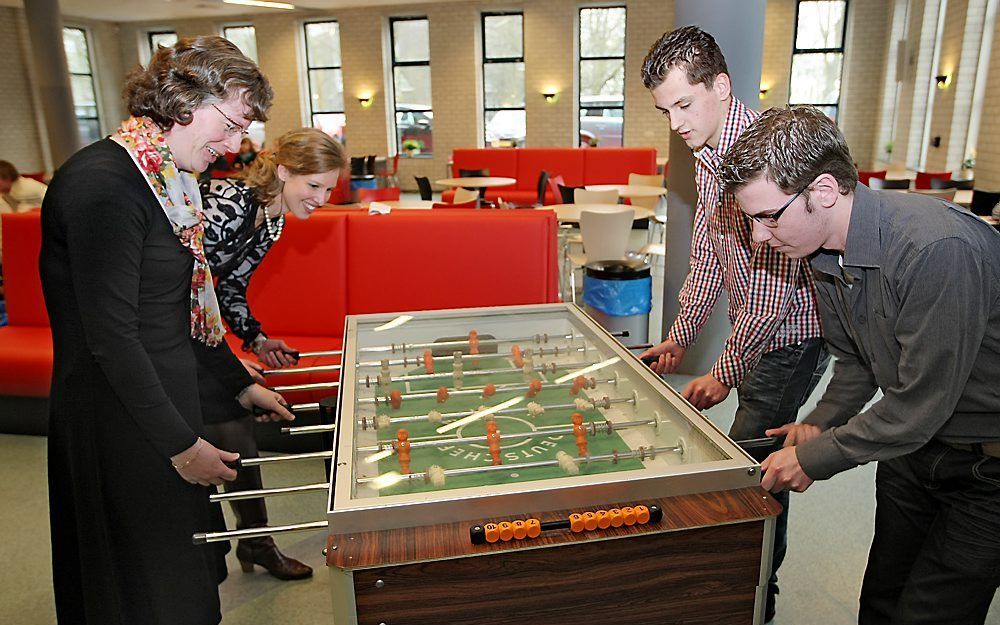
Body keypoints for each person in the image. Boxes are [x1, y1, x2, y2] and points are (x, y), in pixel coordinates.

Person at [39, 36, 293, 625]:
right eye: (230, 126)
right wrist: (181, 447)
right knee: (146, 591)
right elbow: (113, 338)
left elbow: (181, 311)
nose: (236, 147)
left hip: (162, 403)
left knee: (186, 583)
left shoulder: (167, 179)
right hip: (121, 417)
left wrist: (237, 382)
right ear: (183, 102)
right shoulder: (104, 184)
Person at [718, 105, 1000, 625]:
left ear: (824, 191)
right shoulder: (822, 252)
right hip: (912, 454)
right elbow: (855, 362)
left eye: (767, 217)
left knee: (931, 613)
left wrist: (815, 457)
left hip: (986, 472)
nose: (759, 237)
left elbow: (919, 404)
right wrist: (819, 422)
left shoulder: (935, 248)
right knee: (881, 602)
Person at [637, 26, 828, 622]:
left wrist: (723, 369)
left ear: (720, 85)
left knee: (751, 469)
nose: (676, 123)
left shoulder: (760, 153)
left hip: (791, 334)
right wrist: (681, 333)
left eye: (684, 105)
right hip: (755, 328)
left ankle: (751, 597)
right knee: (748, 461)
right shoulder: (706, 154)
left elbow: (773, 291)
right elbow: (711, 254)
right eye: (665, 110)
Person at [198, 127, 345, 579]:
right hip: (168, 330)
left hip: (197, 331)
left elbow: (232, 287)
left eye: (329, 188)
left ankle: (255, 541)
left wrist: (258, 340)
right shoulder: (228, 203)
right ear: (283, 171)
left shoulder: (273, 220)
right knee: (232, 413)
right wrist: (226, 361)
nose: (321, 198)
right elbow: (184, 287)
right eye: (313, 185)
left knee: (237, 423)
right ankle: (247, 545)